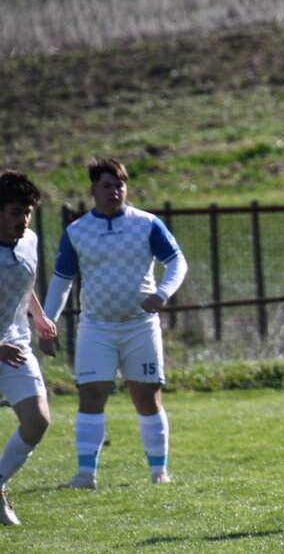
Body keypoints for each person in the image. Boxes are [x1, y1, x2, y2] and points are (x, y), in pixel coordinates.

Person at [42, 158, 188, 490]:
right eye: (107, 186)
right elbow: (62, 281)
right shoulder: (77, 232)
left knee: (147, 398)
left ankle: (159, 473)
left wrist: (163, 293)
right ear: (93, 190)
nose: (115, 191)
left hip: (141, 327)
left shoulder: (146, 223)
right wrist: (47, 323)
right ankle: (85, 476)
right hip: (96, 327)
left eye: (120, 185)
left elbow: (177, 262)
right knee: (91, 396)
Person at [0, 172, 58, 525]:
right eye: (15, 212)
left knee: (37, 420)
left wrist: (39, 316)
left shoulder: (29, 240)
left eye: (28, 212)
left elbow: (23, 277)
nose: (23, 220)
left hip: (15, 346)